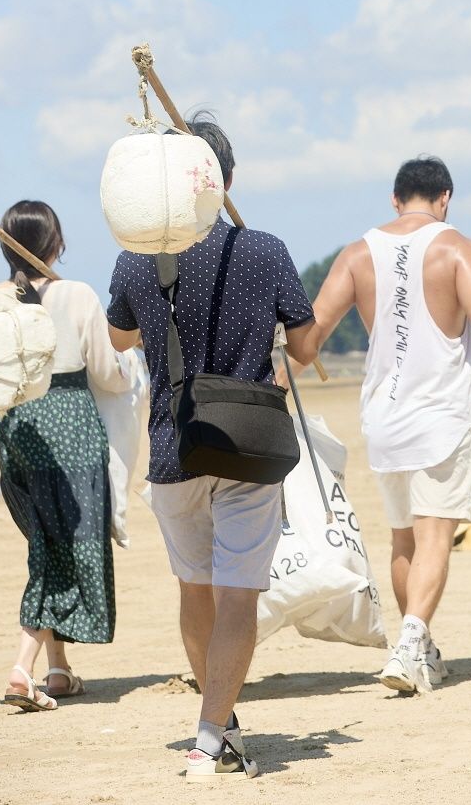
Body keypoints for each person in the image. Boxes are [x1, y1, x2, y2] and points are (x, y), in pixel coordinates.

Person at [307, 157, 471, 695]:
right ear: (445, 197)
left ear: (394, 199)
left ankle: (417, 644)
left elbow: (310, 334)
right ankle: (411, 640)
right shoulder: (457, 247)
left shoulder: (358, 253)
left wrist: (272, 373)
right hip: (440, 417)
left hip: (382, 418)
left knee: (403, 538)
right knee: (436, 536)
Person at [106, 116, 322, 779]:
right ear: (224, 181)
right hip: (248, 445)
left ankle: (218, 723)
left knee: (195, 589)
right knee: (237, 597)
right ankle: (210, 732)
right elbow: (307, 349)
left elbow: (119, 341)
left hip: (173, 445)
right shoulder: (264, 249)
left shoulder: (135, 257)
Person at [0, 202, 132, 713]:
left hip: (14, 428)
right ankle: (22, 667)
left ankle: (59, 669)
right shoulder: (76, 295)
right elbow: (108, 373)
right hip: (68, 421)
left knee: (45, 541)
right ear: (57, 243)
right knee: (63, 547)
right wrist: (132, 372)